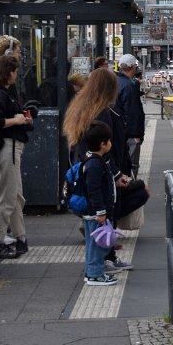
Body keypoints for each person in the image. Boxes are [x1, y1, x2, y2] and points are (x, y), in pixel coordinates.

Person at [63, 67, 148, 272]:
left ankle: (107, 256)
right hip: (104, 173)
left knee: (105, 215)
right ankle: (102, 262)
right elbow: (106, 147)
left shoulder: (83, 108)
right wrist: (117, 174)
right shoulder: (103, 112)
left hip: (93, 169)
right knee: (107, 213)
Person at [0, 55, 33, 260]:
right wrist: (17, 120)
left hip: (9, 149)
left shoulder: (1, 93)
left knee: (14, 195)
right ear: (8, 72)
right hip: (7, 149)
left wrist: (23, 119)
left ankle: (20, 237)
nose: (16, 75)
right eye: (14, 71)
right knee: (5, 197)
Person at [80, 119, 119, 286]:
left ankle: (91, 273)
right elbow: (94, 190)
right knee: (96, 246)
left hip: (93, 213)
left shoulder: (92, 160)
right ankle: (95, 275)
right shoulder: (95, 164)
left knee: (92, 245)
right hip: (96, 214)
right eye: (109, 141)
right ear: (103, 145)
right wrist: (101, 212)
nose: (110, 143)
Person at [116, 54, 145, 179]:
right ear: (132, 67)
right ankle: (130, 192)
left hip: (119, 133)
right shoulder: (129, 85)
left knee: (122, 165)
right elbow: (132, 112)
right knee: (132, 166)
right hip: (129, 135)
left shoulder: (116, 82)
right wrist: (136, 136)